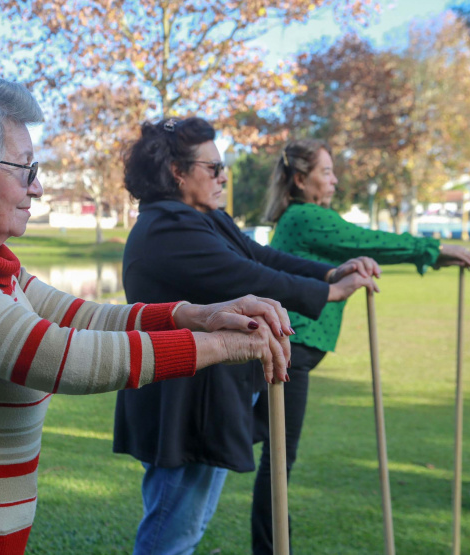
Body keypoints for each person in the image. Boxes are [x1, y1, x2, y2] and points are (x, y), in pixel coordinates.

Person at [0, 64, 292, 555]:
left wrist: (197, 314)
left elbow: (81, 317)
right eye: (25, 169)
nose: (37, 188)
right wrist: (222, 345)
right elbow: (61, 357)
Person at [112, 118, 379, 555]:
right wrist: (328, 292)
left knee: (187, 523)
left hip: (205, 396)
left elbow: (261, 255)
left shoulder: (204, 218)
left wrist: (331, 271)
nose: (223, 176)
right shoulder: (167, 227)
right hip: (180, 403)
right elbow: (245, 275)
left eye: (224, 168)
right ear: (177, 172)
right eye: (213, 168)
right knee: (172, 530)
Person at [255, 138, 470, 554]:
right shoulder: (304, 217)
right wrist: (434, 251)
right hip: (291, 350)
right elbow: (364, 241)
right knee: (277, 458)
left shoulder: (302, 216)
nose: (335, 179)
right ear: (301, 180)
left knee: (269, 447)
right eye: (326, 172)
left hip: (295, 350)